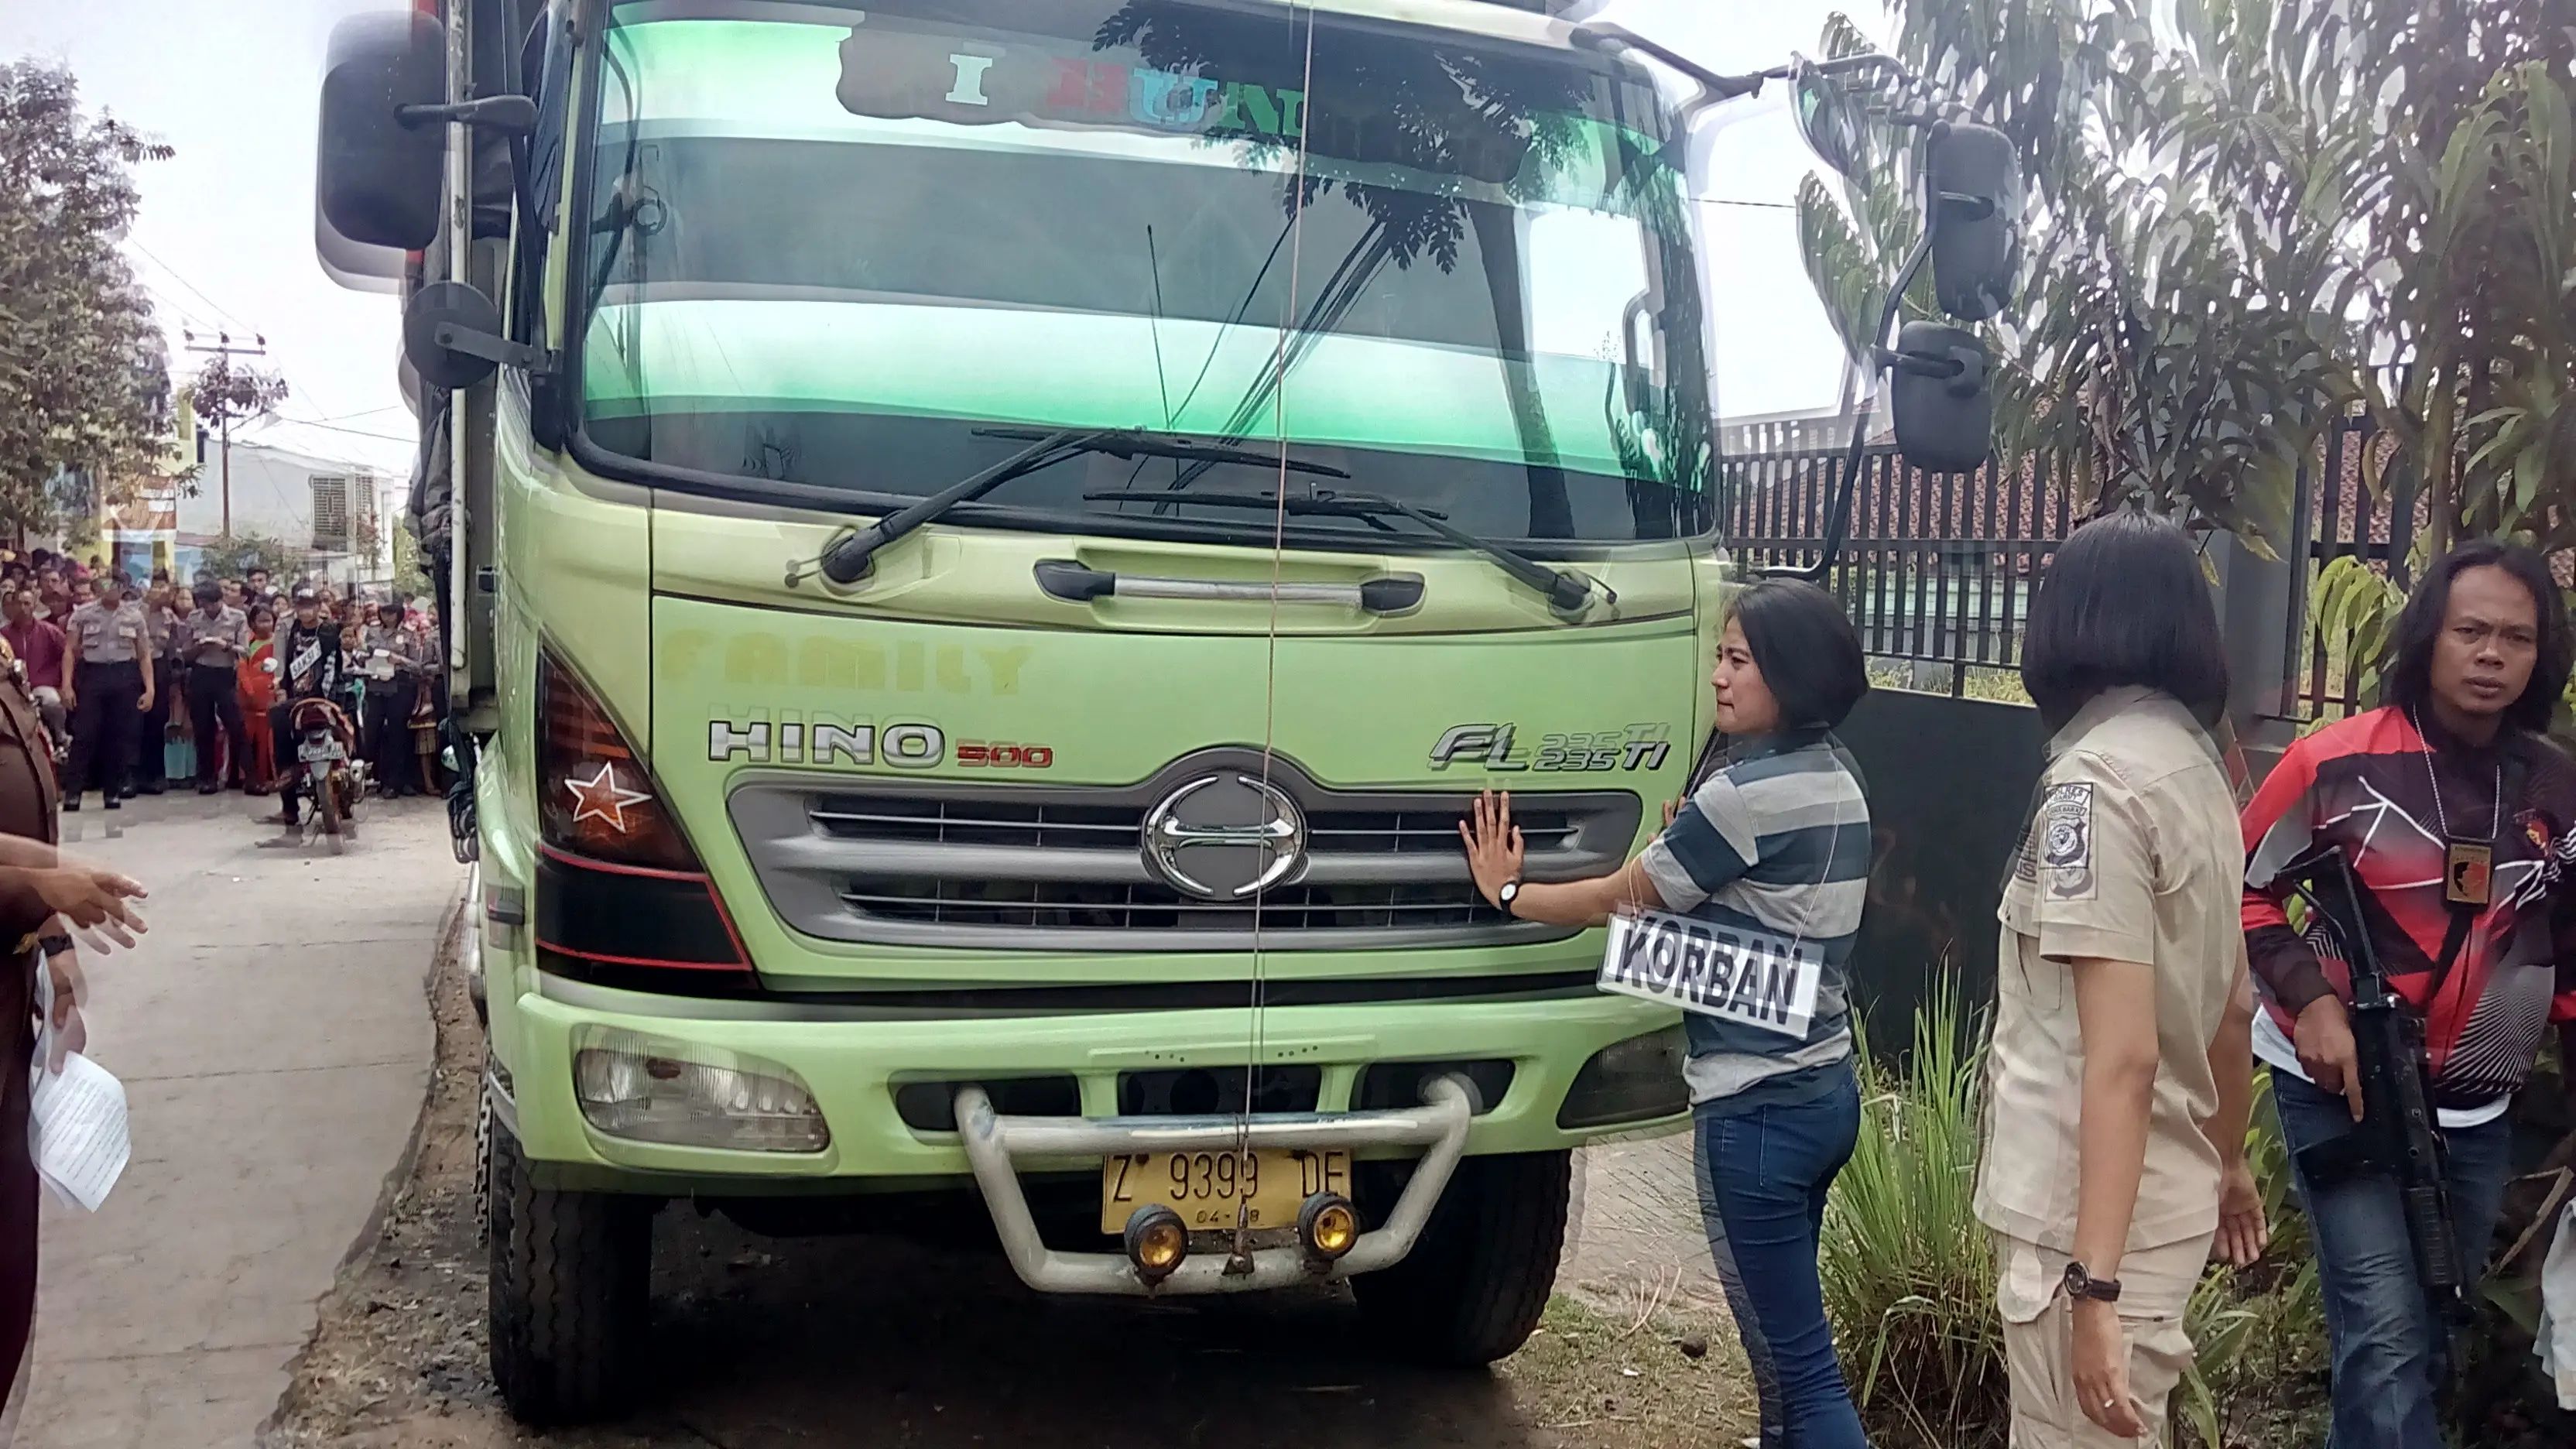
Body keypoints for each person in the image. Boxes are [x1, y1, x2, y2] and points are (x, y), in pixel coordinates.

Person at [1460, 579, 1875, 1449]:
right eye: (1717, 658)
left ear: (1788, 677)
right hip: (1826, 1089)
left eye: (1737, 661)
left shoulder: (1738, 799)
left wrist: (1508, 890)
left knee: (1802, 1370)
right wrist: (1688, 870)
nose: (1717, 678)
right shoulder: (1839, 780)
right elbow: (1759, 940)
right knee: (1776, 1359)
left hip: (1755, 1107)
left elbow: (1620, 901)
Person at [2239, 539, 2576, 1447]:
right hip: (2341, 1092)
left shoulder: (2557, 789)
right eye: (2470, 630)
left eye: (2516, 636)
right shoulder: (2333, 766)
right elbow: (2240, 889)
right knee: (2385, 1334)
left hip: (2475, 1110)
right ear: (2428, 637)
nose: (2491, 654)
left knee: (2430, 1328)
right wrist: (2311, 1002)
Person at [1976, 512, 2265, 1447]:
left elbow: (2125, 1059)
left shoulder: (2096, 787)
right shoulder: (2200, 772)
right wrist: (2226, 1159)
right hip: (2161, 1201)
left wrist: (2090, 1286)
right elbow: (2230, 1009)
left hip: (2088, 1223)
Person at [59, 575, 152, 814]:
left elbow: (144, 655)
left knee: (117, 736)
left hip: (124, 675)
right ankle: (73, 792)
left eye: (118, 586)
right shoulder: (83, 614)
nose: (112, 590)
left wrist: (149, 688)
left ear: (123, 588)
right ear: (99, 587)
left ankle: (112, 791)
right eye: (108, 585)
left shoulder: (134, 616)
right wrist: (67, 685)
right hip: (93, 675)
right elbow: (69, 650)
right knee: (84, 735)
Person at [270, 588, 343, 830]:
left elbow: (332, 666)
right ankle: (289, 799)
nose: (306, 611)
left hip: (326, 694)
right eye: (301, 606)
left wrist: (326, 697)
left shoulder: (328, 630)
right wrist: (281, 688)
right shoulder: (291, 629)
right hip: (296, 697)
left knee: (347, 725)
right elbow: (283, 662)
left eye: (310, 605)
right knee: (278, 716)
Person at [179, 581, 249, 796]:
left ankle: (250, 776)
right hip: (201, 673)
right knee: (203, 728)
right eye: (202, 604)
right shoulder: (193, 618)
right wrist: (198, 648)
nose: (206, 608)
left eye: (210, 603)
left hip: (225, 674)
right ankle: (206, 778)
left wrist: (226, 645)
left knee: (236, 725)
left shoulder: (237, 617)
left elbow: (245, 651)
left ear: (220, 600)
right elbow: (185, 653)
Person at [355, 598, 424, 798]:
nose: (388, 617)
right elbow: (358, 655)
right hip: (375, 686)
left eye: (392, 613)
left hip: (399, 686)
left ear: (399, 614)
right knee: (372, 731)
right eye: (384, 612)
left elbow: (418, 666)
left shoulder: (408, 635)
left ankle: (396, 782)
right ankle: (376, 778)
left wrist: (399, 660)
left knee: (397, 733)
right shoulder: (372, 632)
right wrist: (366, 657)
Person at [0, 594, 67, 759]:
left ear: (34, 605)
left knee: (51, 702)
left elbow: (68, 656)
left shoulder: (50, 631)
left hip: (41, 686)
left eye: (27, 603)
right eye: (19, 603)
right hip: (12, 689)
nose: (23, 608)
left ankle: (61, 740)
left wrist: (65, 685)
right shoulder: (3, 635)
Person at [236, 604, 279, 795]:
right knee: (247, 740)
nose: (265, 625)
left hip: (271, 700)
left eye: (268, 620)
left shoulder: (278, 644)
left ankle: (269, 778)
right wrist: (250, 692)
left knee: (267, 743)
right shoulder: (248, 643)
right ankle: (247, 778)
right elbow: (242, 668)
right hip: (249, 701)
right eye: (260, 621)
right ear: (252, 623)